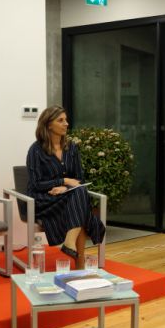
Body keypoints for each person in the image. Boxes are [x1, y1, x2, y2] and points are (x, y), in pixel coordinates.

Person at [26, 105, 105, 269]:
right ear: (49, 124)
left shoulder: (71, 147)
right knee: (81, 207)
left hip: (66, 195)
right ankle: (79, 263)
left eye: (66, 120)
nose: (66, 124)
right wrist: (64, 181)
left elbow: (79, 179)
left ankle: (70, 243)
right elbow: (36, 184)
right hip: (44, 199)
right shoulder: (36, 150)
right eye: (60, 120)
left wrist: (66, 188)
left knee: (79, 194)